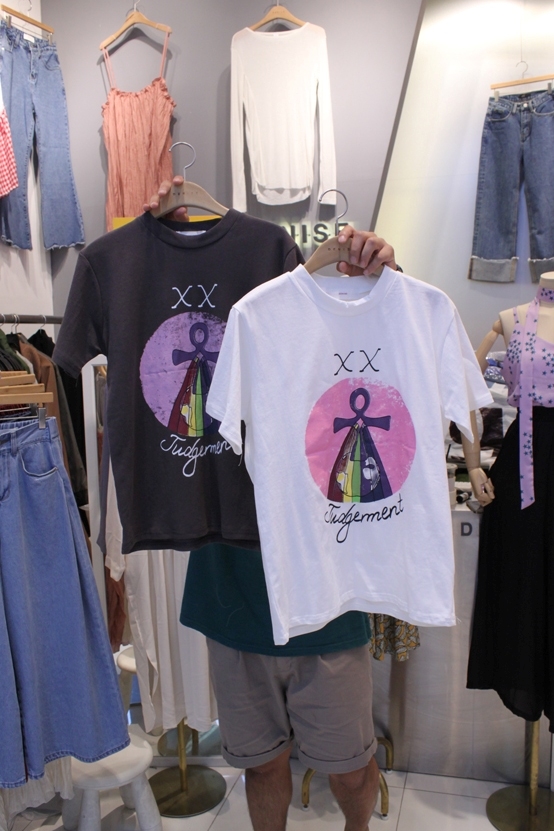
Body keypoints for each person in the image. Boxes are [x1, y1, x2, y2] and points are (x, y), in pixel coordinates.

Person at [144, 178, 491, 831]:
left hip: (328, 591)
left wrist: (389, 286)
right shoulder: (228, 314)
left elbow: (377, 351)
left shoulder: (292, 305)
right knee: (261, 764)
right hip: (230, 588)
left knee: (350, 765)